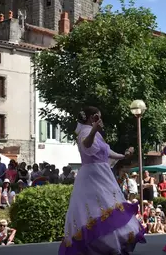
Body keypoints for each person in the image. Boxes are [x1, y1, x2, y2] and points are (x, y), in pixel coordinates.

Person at [59, 106, 145, 255]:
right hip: (93, 174)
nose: (101, 120)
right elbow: (87, 145)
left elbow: (107, 152)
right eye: (98, 117)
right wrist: (94, 130)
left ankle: (111, 241)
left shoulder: (95, 134)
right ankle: (102, 243)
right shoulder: (85, 132)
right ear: (92, 118)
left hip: (101, 172)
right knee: (98, 206)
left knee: (106, 205)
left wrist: (124, 156)